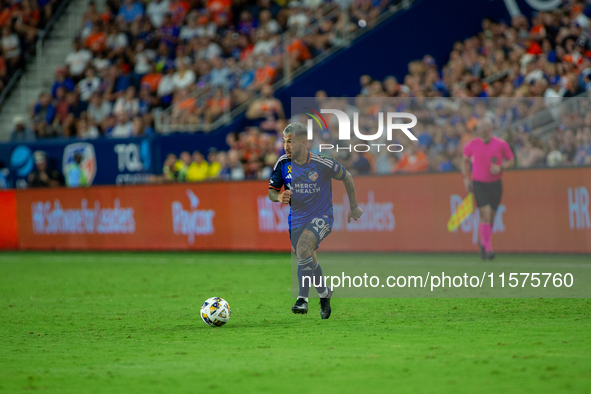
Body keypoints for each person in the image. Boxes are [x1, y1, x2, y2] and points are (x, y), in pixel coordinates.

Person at [268, 122, 363, 319]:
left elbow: (347, 176)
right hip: (296, 220)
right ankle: (324, 293)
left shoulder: (322, 163)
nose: (286, 146)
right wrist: (278, 197)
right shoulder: (282, 163)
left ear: (304, 142)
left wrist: (353, 206)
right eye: (284, 141)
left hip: (322, 216)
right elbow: (271, 190)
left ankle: (302, 299)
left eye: (290, 141)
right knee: (307, 256)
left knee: (303, 247)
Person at [461, 119, 515, 260]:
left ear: (491, 128)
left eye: (485, 127)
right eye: (480, 128)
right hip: (479, 183)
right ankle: (489, 248)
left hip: (495, 183)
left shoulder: (501, 144)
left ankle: (484, 241)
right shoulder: (471, 144)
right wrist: (466, 178)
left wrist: (500, 167)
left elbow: (511, 160)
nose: (483, 130)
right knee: (484, 213)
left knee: (491, 216)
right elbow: (464, 160)